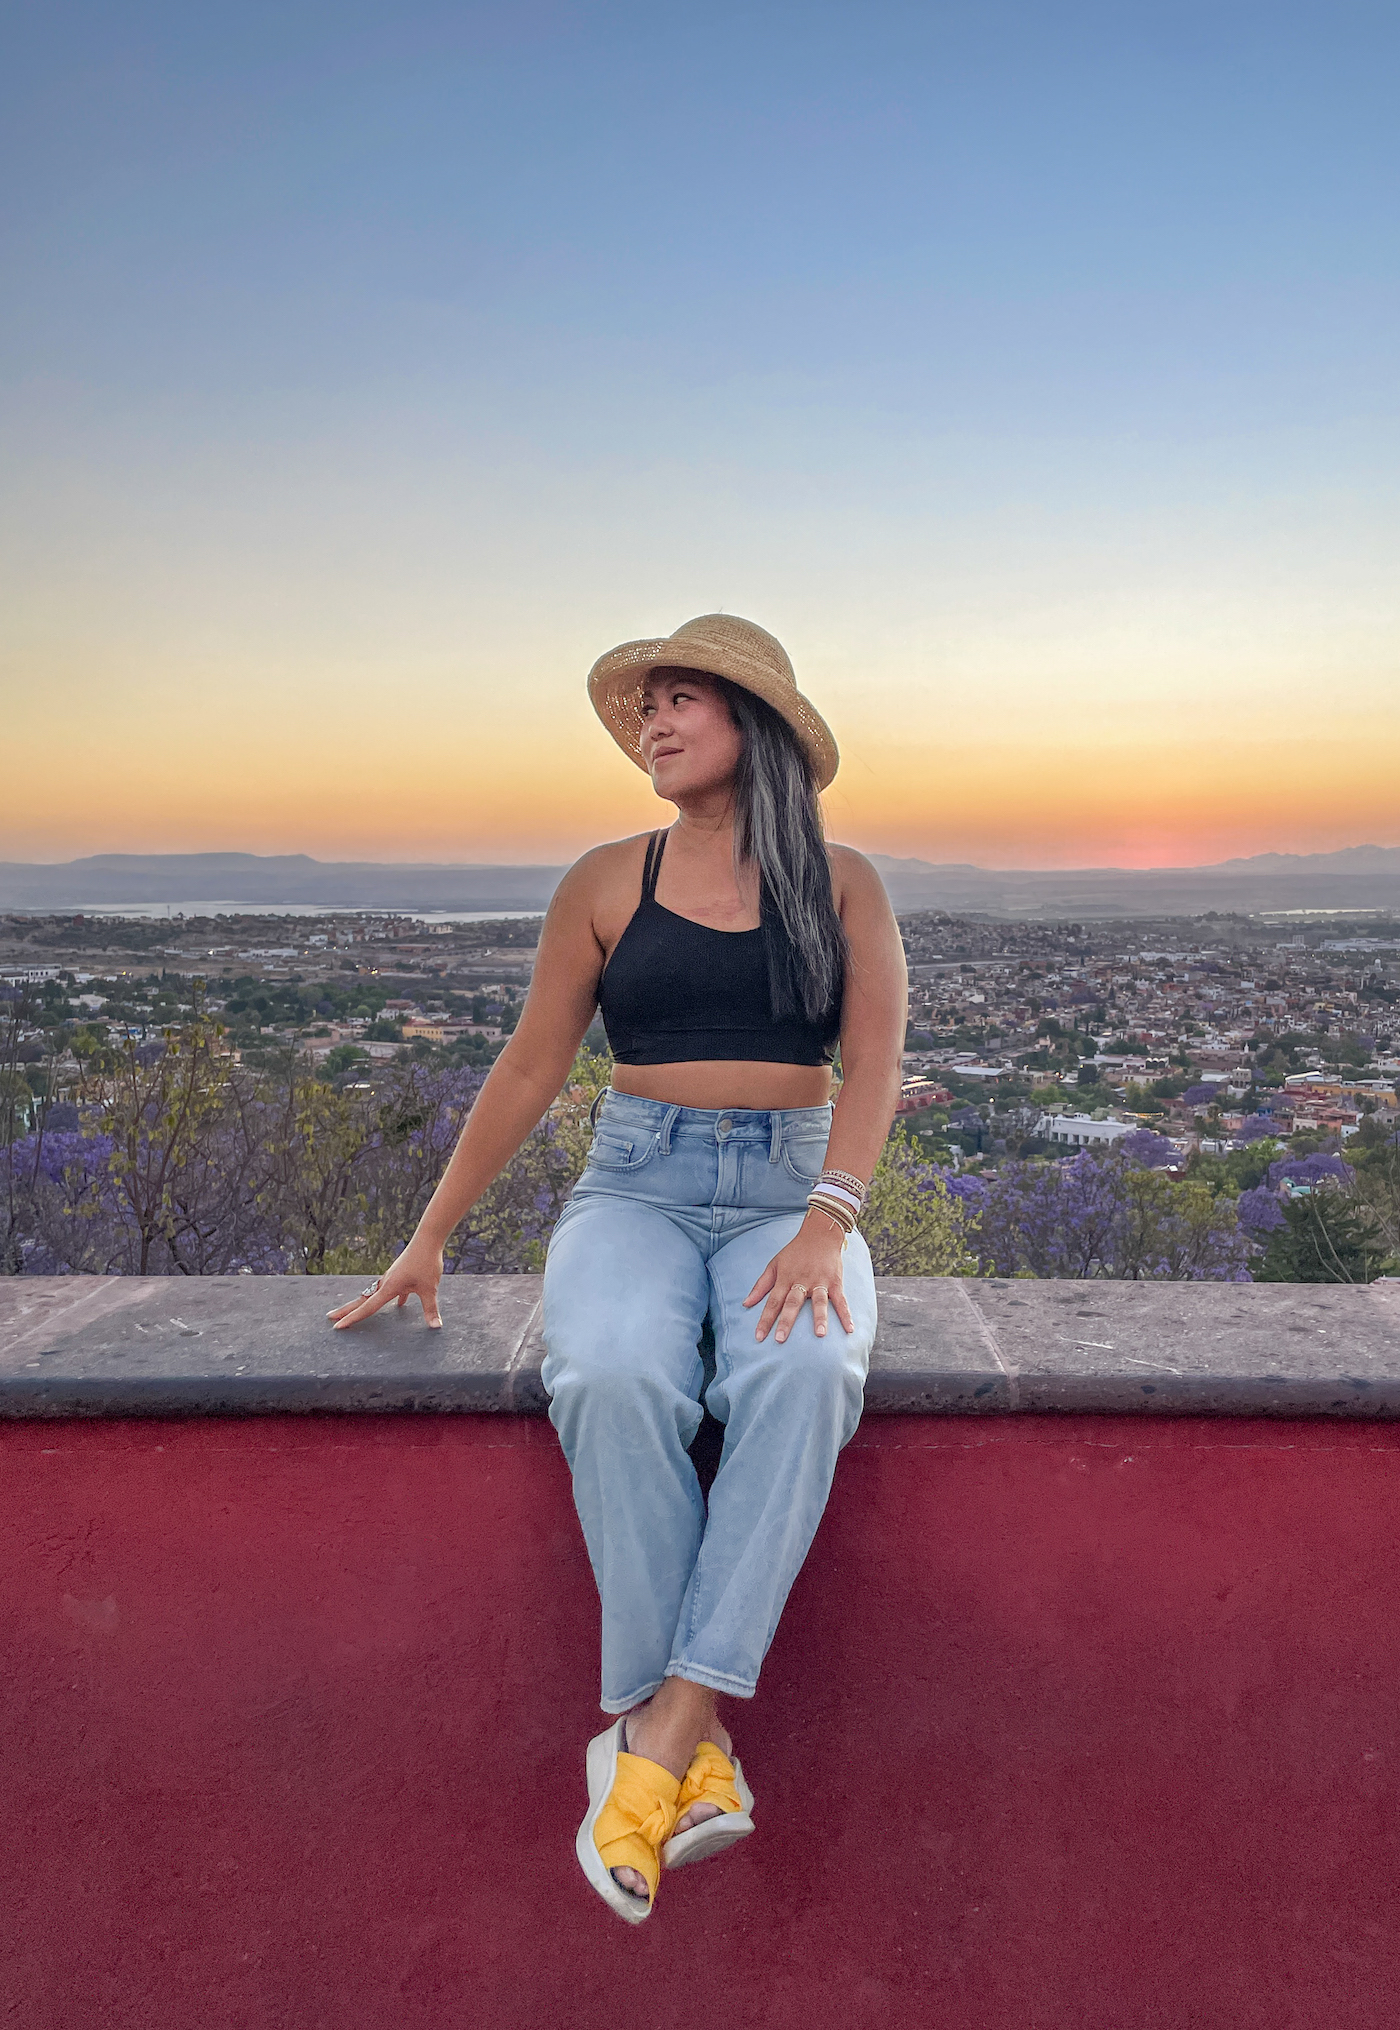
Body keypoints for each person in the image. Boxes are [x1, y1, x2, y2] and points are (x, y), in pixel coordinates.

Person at [328, 613, 906, 1922]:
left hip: (790, 1195)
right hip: (635, 1183)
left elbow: (871, 1062)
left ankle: (654, 1741)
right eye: (645, 703)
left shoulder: (847, 884)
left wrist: (831, 1215)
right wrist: (429, 1234)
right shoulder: (604, 878)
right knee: (611, 1371)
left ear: (750, 724)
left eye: (681, 698)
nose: (653, 720)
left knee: (808, 1373)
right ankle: (679, 1743)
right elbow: (533, 1063)